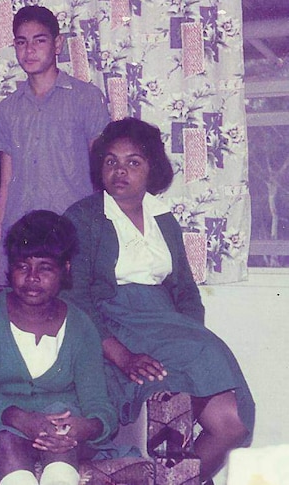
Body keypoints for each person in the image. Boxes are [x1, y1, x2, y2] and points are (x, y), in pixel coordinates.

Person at [63, 117, 254, 481]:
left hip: (167, 325)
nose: (120, 171)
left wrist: (188, 337)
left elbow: (185, 291)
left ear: (152, 167)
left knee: (234, 424)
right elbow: (77, 298)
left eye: (133, 162)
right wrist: (121, 355)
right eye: (111, 161)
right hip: (114, 324)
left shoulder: (163, 217)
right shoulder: (83, 217)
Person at [0, 210, 116, 485]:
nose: (32, 278)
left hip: (61, 428)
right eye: (23, 266)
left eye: (45, 268)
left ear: (65, 269)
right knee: (6, 439)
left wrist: (86, 427)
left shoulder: (81, 325)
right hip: (0, 423)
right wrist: (21, 419)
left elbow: (99, 403)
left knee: (60, 437)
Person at [0, 5, 110, 284]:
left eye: (39, 40)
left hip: (73, 237)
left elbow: (101, 177)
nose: (29, 50)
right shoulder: (6, 110)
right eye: (21, 42)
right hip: (21, 240)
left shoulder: (86, 98)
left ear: (58, 44)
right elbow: (5, 184)